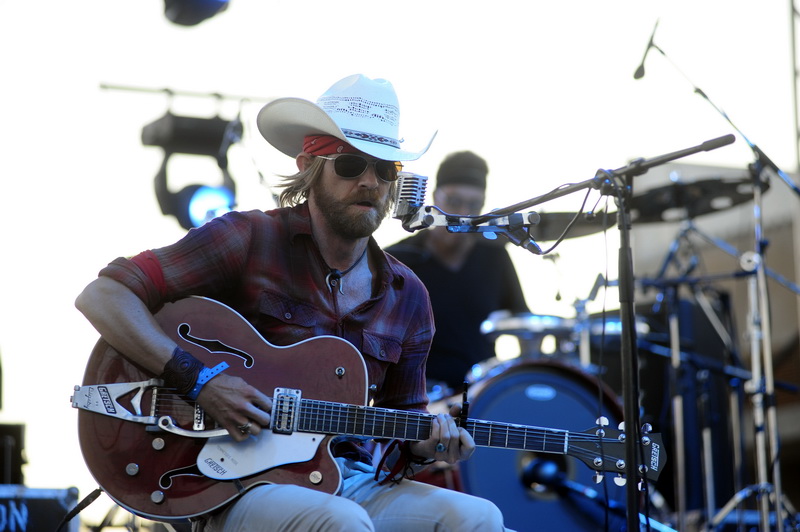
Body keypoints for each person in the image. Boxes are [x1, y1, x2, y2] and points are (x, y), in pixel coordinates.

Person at [75, 74, 508, 531]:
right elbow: (103, 296)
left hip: (349, 479)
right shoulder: (248, 238)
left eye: (386, 170)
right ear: (309, 165)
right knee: (343, 523)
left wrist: (427, 444)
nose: (370, 182)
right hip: (231, 483)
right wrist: (201, 381)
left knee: (479, 517)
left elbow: (403, 424)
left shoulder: (408, 295)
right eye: (350, 165)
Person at [386, 151, 529, 394]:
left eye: (474, 205)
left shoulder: (495, 256)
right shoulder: (398, 259)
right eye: (454, 201)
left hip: (480, 395)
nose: (463, 212)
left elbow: (523, 324)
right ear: (435, 198)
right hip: (416, 398)